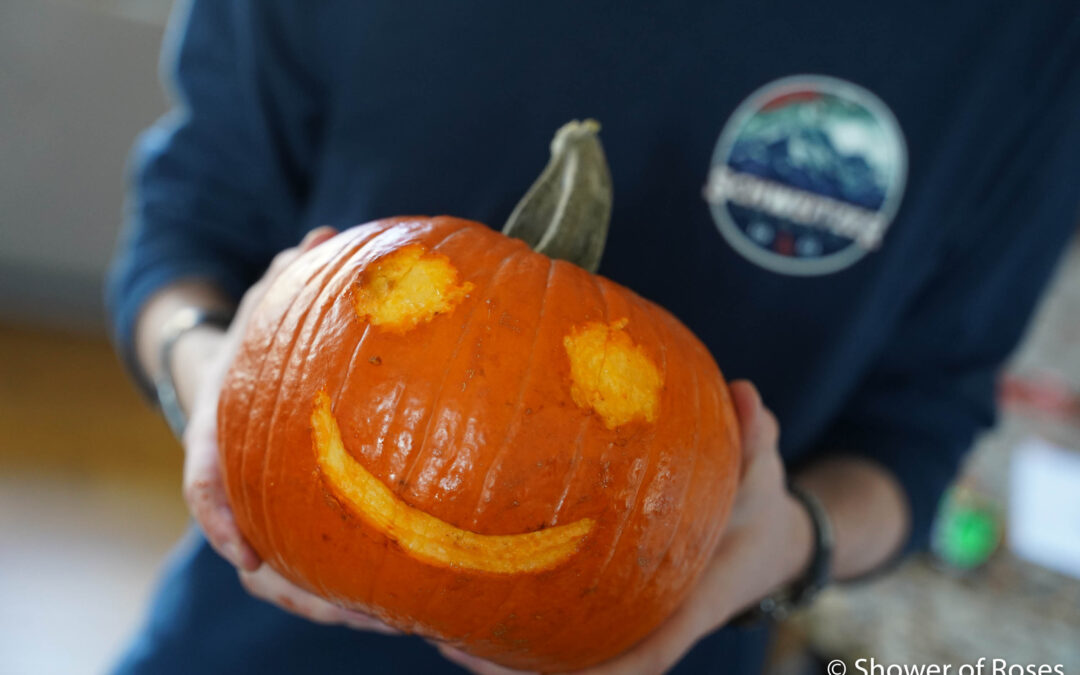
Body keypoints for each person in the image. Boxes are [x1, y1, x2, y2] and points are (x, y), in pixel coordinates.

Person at [106, 1, 1080, 673]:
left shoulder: (1034, 35)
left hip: (669, 641)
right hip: (243, 634)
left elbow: (922, 417)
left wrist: (797, 538)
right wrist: (209, 367)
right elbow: (194, 221)